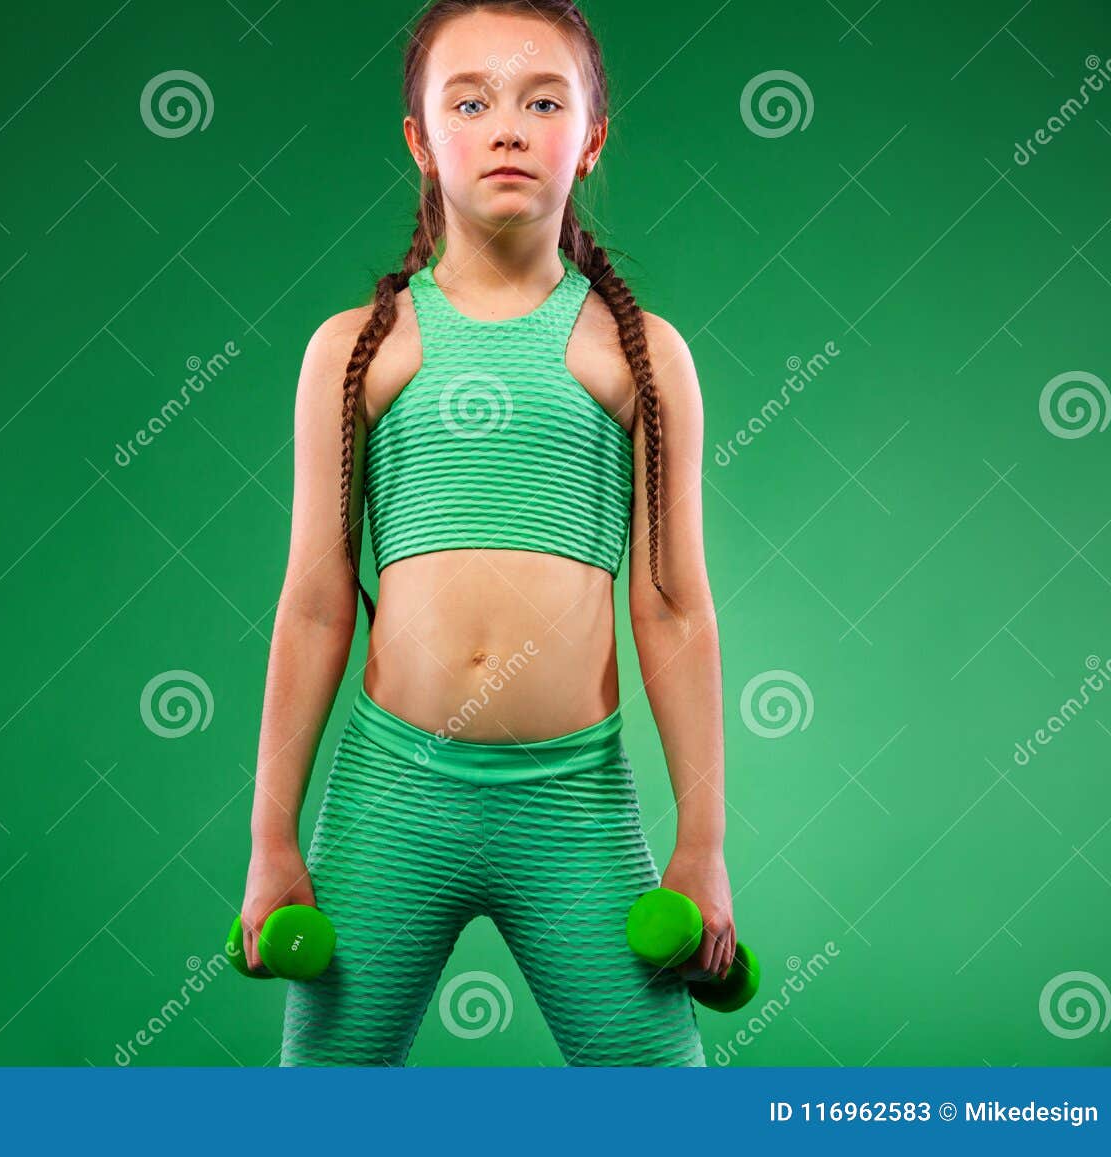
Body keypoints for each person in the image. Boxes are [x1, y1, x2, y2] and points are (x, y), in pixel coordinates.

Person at [244, 0, 733, 1066]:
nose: (506, 126)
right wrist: (268, 839)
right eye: (469, 101)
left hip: (574, 807)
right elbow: (317, 602)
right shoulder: (354, 350)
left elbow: (674, 606)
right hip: (389, 798)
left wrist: (703, 843)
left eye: (542, 100)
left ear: (591, 137)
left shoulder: (640, 356)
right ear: (420, 139)